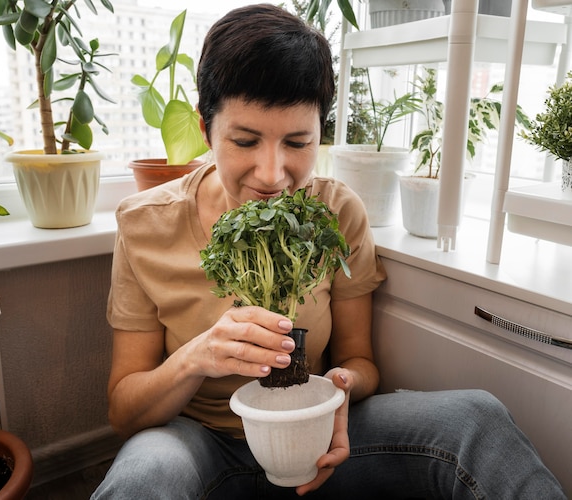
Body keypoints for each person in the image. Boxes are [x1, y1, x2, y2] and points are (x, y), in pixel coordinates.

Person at [91, 4, 565, 499]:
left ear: (323, 133)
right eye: (245, 140)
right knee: (145, 473)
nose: (272, 174)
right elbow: (124, 412)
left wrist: (341, 388)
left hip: (316, 431)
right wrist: (196, 357)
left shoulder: (336, 212)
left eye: (298, 142)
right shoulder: (144, 222)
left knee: (477, 418)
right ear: (205, 128)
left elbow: (361, 361)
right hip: (199, 446)